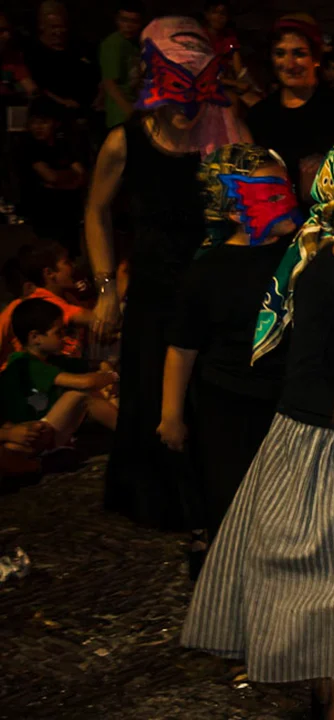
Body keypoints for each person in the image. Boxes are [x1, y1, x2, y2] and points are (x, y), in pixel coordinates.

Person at [183, 140, 334, 720]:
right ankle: (333, 686)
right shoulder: (319, 280)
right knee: (309, 571)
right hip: (313, 448)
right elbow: (301, 378)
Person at [86, 16, 247, 532]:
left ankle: (215, 501)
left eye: (196, 97)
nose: (186, 110)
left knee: (209, 401)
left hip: (210, 294)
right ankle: (160, 503)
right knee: (151, 396)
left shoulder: (221, 131)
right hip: (154, 295)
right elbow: (96, 211)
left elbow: (259, 197)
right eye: (177, 95)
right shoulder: (125, 142)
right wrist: (106, 288)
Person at [157, 144, 301, 577]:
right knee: (236, 504)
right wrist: (171, 415)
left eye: (286, 187)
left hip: (290, 402)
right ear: (236, 210)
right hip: (229, 408)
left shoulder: (302, 257)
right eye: (271, 192)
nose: (288, 198)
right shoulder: (208, 271)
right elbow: (182, 347)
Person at [244, 14, 334, 203]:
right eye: (280, 54)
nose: (289, 64)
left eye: (299, 54)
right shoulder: (259, 117)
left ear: (315, 58)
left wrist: (329, 177)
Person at [0, 298, 118, 440]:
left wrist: (103, 365)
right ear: (35, 337)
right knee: (80, 396)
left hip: (44, 428)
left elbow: (88, 365)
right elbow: (86, 382)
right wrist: (114, 376)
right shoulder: (24, 363)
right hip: (30, 433)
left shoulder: (51, 358)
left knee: (103, 392)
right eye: (58, 333)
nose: (64, 337)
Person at [0, 241, 93, 367]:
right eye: (67, 262)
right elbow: (97, 319)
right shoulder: (40, 303)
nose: (74, 266)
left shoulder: (67, 297)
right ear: (49, 273)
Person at [15, 96, 86, 257]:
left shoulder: (63, 145)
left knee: (71, 254)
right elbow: (50, 177)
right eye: (34, 122)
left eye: (44, 122)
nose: (38, 127)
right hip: (42, 212)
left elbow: (82, 175)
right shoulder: (28, 146)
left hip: (68, 213)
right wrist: (69, 177)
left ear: (56, 123)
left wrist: (63, 181)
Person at [24, 1, 97, 125]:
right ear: (42, 26)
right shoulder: (33, 52)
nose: (59, 31)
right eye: (53, 27)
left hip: (87, 113)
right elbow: (38, 88)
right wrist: (63, 102)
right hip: (50, 117)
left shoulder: (79, 48)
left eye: (62, 27)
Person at [203, 1, 261, 108]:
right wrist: (235, 83)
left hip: (227, 80)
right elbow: (206, 74)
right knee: (232, 100)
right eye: (215, 12)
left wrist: (247, 84)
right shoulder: (201, 37)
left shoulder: (228, 36)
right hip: (209, 84)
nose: (219, 17)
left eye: (223, 13)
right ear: (207, 15)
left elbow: (238, 68)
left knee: (258, 102)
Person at [99, 1, 143, 130]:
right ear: (117, 20)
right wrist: (128, 110)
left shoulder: (136, 44)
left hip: (136, 109)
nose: (128, 26)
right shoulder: (113, 44)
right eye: (124, 20)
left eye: (134, 22)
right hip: (120, 116)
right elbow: (109, 83)